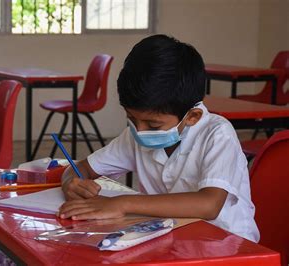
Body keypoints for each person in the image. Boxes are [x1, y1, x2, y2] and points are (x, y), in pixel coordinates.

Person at [58, 34, 259, 242]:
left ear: (192, 117)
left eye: (153, 125)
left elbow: (209, 204)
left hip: (227, 246)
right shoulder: (135, 135)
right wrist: (70, 182)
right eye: (132, 119)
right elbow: (82, 167)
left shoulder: (217, 134)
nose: (140, 130)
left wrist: (122, 203)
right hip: (173, 241)